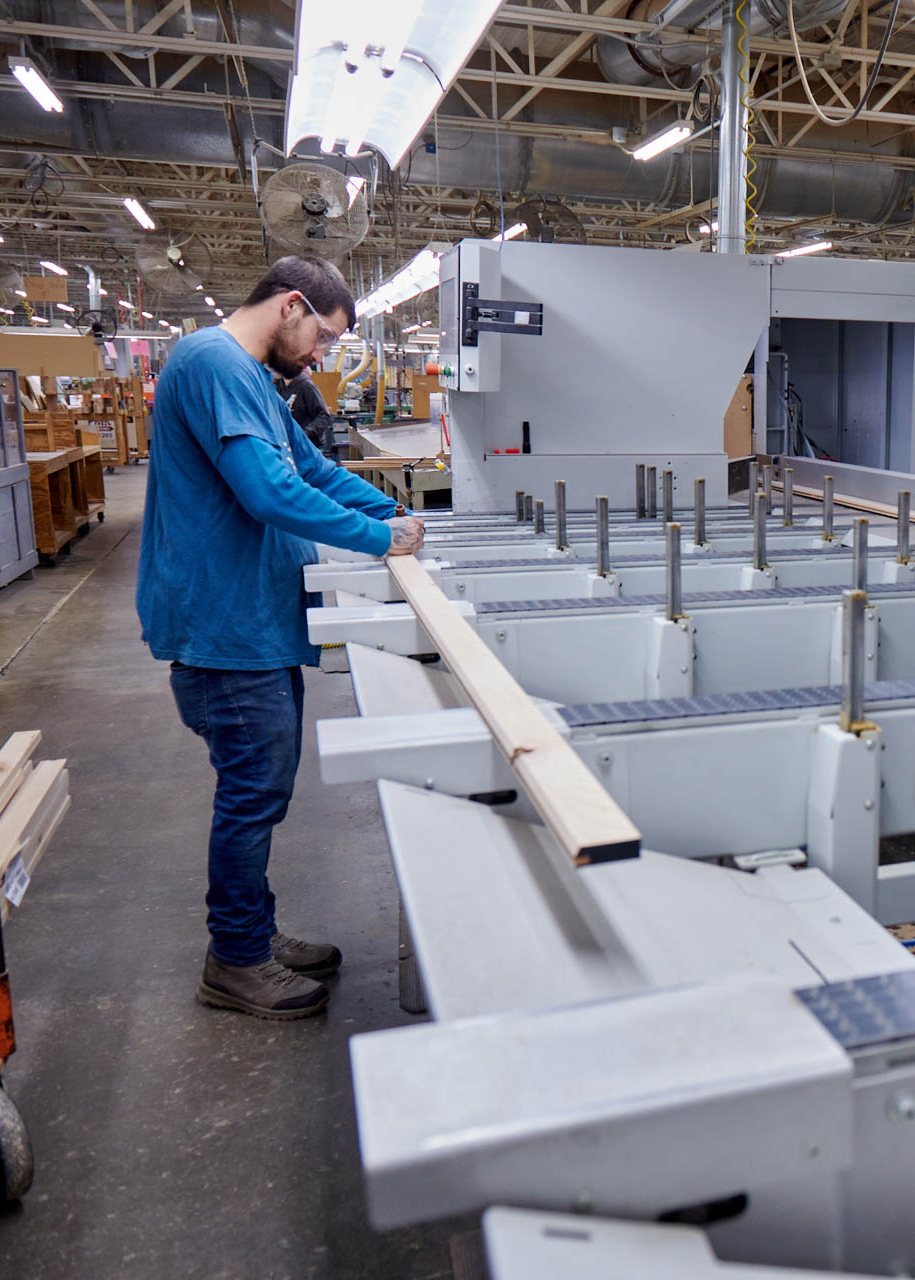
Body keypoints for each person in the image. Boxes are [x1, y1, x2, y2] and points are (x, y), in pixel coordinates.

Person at [136, 256, 424, 1021]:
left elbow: (313, 473)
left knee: (261, 790)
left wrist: (399, 520)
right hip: (221, 625)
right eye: (323, 338)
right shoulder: (212, 363)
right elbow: (267, 493)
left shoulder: (255, 379)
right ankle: (235, 958)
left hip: (253, 623)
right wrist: (377, 538)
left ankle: (251, 936)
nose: (321, 356)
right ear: (292, 305)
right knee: (252, 793)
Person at [281, 367, 334, 449]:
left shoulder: (305, 385)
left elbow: (324, 415)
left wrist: (305, 433)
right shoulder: (277, 385)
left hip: (308, 447)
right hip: (287, 445)